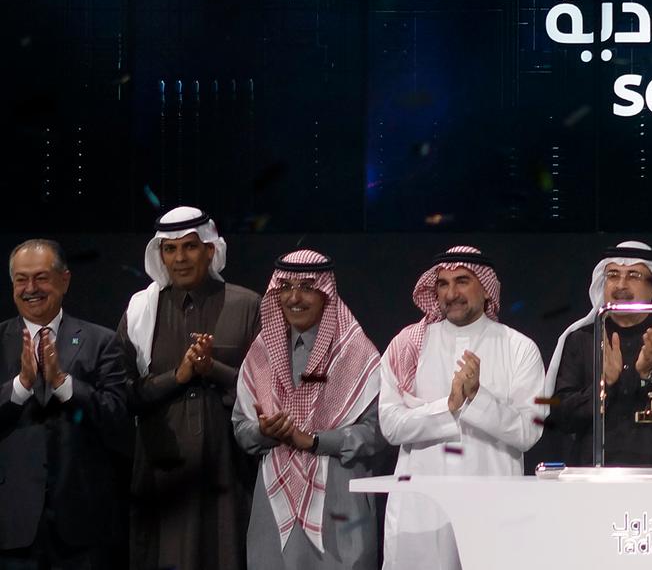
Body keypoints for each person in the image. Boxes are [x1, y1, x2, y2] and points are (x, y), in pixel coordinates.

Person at [378, 246, 545, 570]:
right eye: (443, 283)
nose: (451, 293)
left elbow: (529, 432)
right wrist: (449, 406)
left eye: (462, 281)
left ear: (487, 289)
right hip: (422, 512)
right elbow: (391, 425)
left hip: (493, 508)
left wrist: (477, 398)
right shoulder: (407, 345)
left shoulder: (519, 348)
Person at [119, 206, 260, 570]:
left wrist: (213, 369)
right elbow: (123, 396)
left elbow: (266, 393)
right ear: (160, 255)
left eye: (190, 247)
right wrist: (177, 377)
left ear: (210, 250)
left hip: (228, 470)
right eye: (170, 249)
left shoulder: (247, 306)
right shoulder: (141, 312)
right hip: (161, 473)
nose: (179, 258)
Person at [233, 250, 385, 569]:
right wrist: (264, 432)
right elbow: (240, 427)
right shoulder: (262, 353)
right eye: (285, 287)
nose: (294, 298)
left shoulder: (356, 353)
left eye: (306, 287)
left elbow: (377, 432)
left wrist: (315, 441)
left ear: (325, 293)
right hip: (273, 507)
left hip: (340, 502)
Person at [0, 239, 130, 569]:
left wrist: (63, 383)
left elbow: (119, 421)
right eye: (21, 279)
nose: (31, 289)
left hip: (83, 524)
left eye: (41, 277)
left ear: (65, 280)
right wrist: (20, 386)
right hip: (11, 524)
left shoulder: (102, 342)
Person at [546, 241, 652, 465]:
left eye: (633, 275)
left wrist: (650, 376)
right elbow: (562, 418)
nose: (621, 284)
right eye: (612, 275)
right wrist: (603, 385)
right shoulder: (581, 339)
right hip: (592, 474)